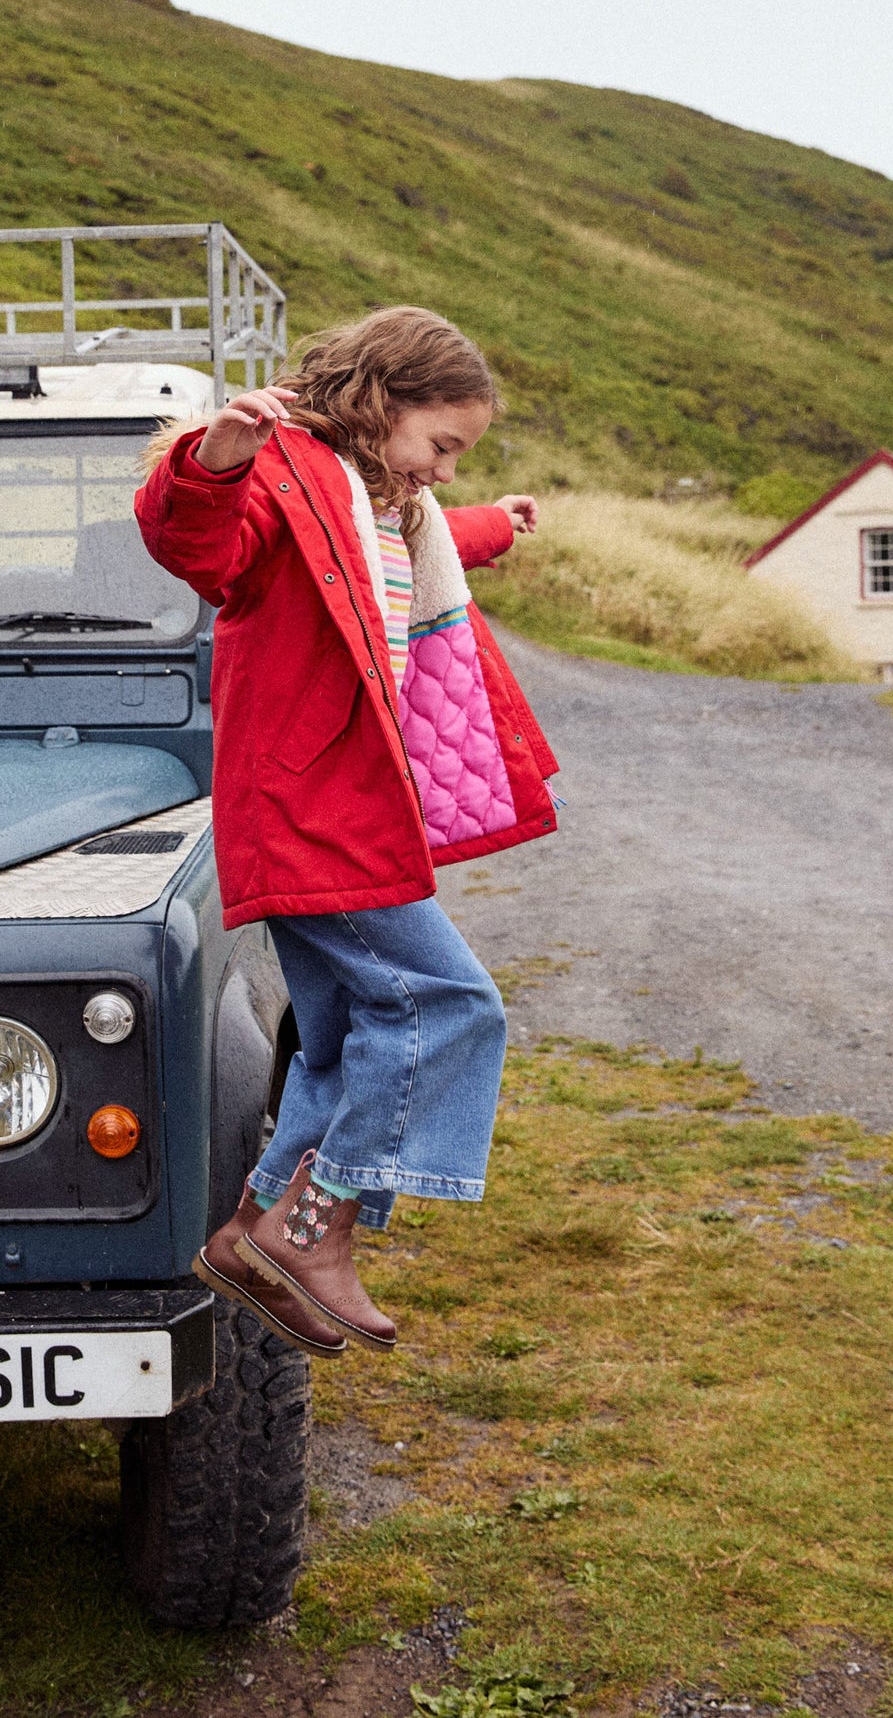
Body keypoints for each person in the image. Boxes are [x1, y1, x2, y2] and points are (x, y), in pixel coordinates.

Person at [135, 306, 558, 1358]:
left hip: (342, 811)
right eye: (442, 445)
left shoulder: (382, 503)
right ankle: (313, 1225)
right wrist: (212, 461)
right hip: (310, 813)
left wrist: (496, 522)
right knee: (451, 1006)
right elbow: (204, 550)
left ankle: (251, 1233)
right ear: (382, 400)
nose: (445, 471)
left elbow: (414, 549)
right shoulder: (278, 472)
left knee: (342, 1043)